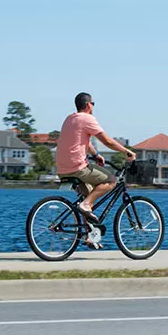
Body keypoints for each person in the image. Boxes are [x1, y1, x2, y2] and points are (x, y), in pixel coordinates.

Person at [55, 92, 136, 247]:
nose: (93, 106)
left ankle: (88, 236)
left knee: (88, 196)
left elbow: (84, 141)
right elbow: (108, 141)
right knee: (111, 180)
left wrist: (96, 154)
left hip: (63, 168)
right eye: (93, 103)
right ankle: (85, 206)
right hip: (78, 167)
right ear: (88, 105)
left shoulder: (70, 119)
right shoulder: (87, 118)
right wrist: (127, 152)